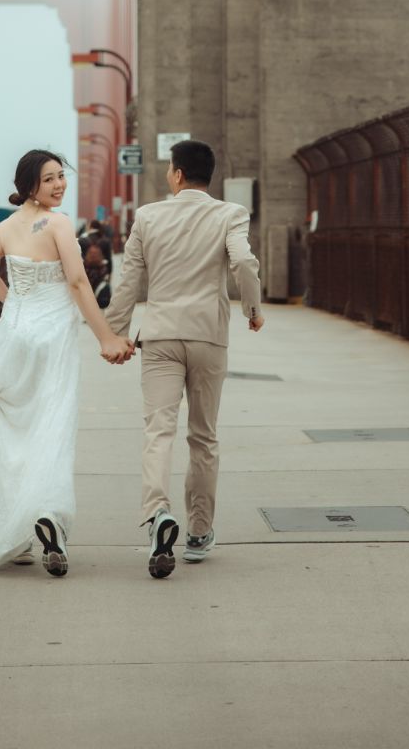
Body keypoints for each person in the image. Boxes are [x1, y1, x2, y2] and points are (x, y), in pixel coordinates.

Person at [0, 150, 135, 575]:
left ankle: (17, 528)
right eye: (49, 180)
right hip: (52, 337)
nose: (59, 185)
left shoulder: (6, 227)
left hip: (13, 335)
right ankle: (47, 514)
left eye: (62, 177)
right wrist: (107, 337)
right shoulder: (58, 224)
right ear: (30, 187)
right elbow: (78, 281)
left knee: (15, 431)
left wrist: (15, 304)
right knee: (52, 426)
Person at [105, 139, 263, 579]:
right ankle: (198, 531)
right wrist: (252, 309)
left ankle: (157, 513)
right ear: (206, 176)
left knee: (159, 430)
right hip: (208, 336)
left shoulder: (148, 216)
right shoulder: (229, 213)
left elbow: (130, 281)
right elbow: (245, 263)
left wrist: (113, 334)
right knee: (203, 437)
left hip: (159, 338)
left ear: (176, 175)